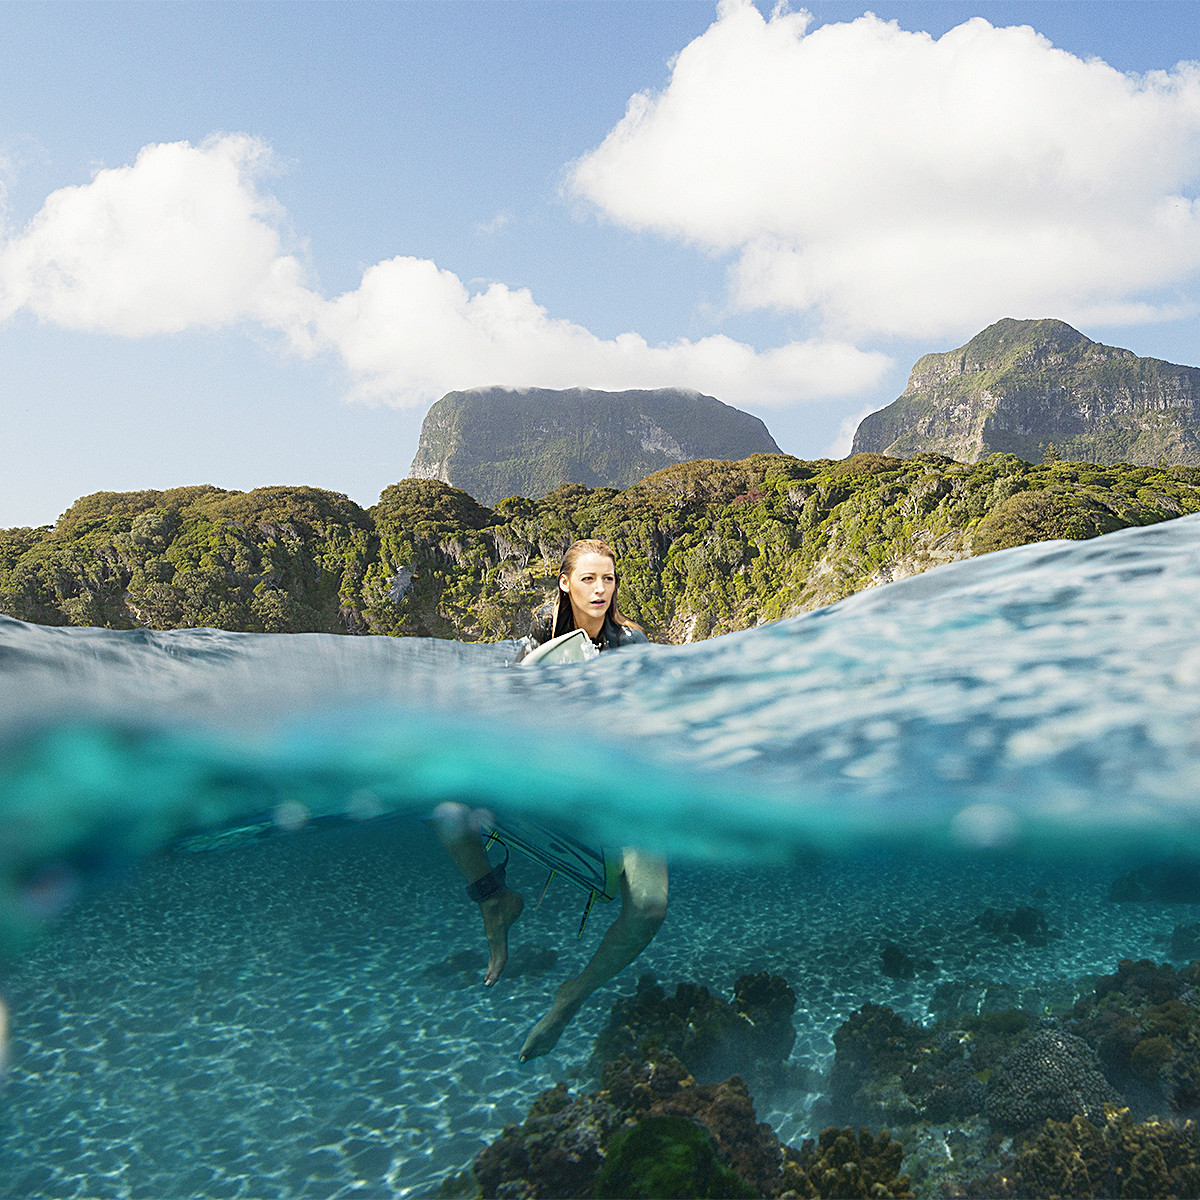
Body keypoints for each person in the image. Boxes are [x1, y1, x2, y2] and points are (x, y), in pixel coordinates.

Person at [430, 539, 667, 1063]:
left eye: (608, 579)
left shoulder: (632, 641)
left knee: (649, 907)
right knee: (448, 812)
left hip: (618, 784)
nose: (600, 590)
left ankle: (570, 997)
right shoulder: (542, 633)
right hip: (550, 775)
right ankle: (495, 901)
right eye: (588, 579)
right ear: (565, 582)